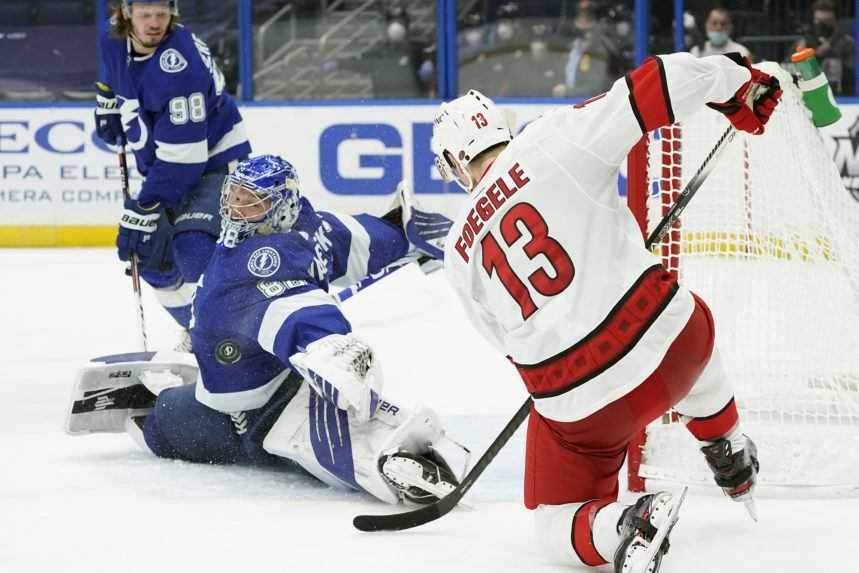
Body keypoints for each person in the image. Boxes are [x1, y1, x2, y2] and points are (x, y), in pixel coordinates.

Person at [431, 52, 781, 571]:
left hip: (582, 404)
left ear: (457, 162)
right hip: (674, 348)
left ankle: (624, 527)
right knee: (683, 323)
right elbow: (660, 79)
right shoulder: (552, 137)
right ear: (500, 127)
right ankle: (726, 444)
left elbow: (509, 347)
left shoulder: (457, 251)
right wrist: (737, 83)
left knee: (555, 520)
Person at [65, 155, 467, 506]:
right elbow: (356, 240)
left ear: (279, 207)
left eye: (250, 203)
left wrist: (331, 349)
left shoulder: (258, 263)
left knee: (169, 428)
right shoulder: (309, 225)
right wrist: (402, 231)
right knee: (165, 421)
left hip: (257, 411)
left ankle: (395, 463)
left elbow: (292, 309)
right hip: (251, 375)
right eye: (234, 199)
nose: (236, 210)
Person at [94, 0, 251, 348]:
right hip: (170, 164)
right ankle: (202, 332)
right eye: (145, 14)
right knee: (148, 255)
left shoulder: (179, 70)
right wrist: (107, 99)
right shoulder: (112, 37)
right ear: (126, 13)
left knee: (193, 246)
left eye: (162, 14)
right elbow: (112, 68)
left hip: (215, 162)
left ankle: (228, 339)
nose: (154, 23)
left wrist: (145, 207)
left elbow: (186, 159)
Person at [795, 0, 855, 95]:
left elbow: (853, 75)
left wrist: (830, 52)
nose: (821, 25)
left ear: (836, 21)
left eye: (827, 21)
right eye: (818, 21)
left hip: (840, 96)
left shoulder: (847, 43)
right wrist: (803, 56)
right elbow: (789, 69)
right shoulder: (805, 42)